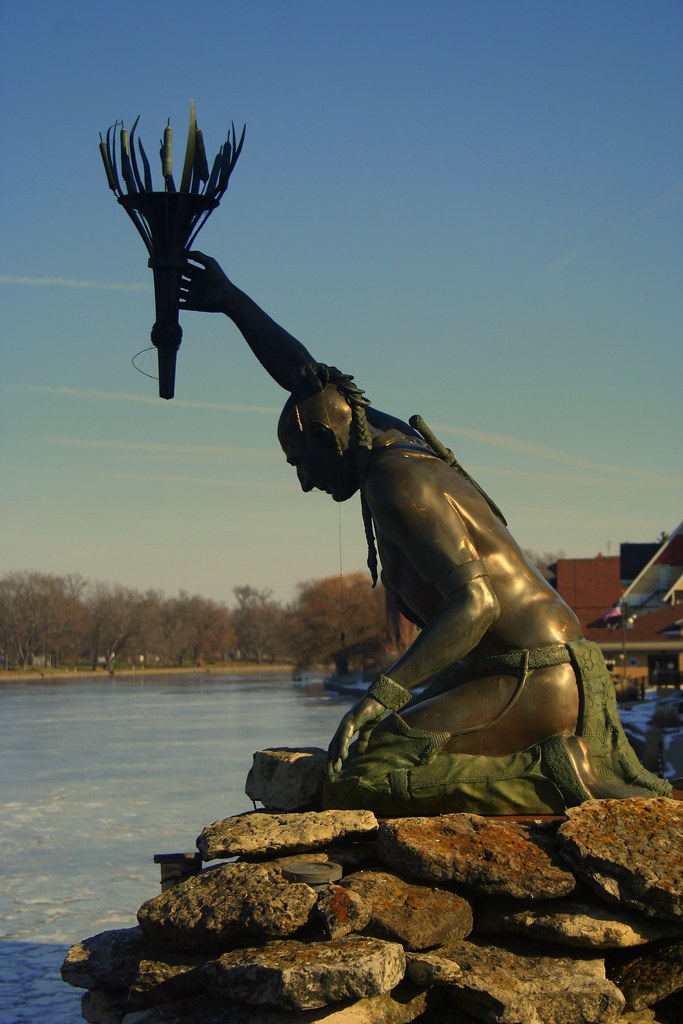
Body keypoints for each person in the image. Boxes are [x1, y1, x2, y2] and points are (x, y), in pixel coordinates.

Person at [180, 252, 671, 815]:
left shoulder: (395, 481)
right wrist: (231, 301)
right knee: (370, 745)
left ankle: (557, 772)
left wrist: (380, 694)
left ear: (326, 438)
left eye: (299, 462)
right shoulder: (384, 442)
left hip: (537, 674)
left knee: (362, 774)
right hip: (522, 668)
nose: (304, 482)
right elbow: (315, 379)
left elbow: (476, 604)